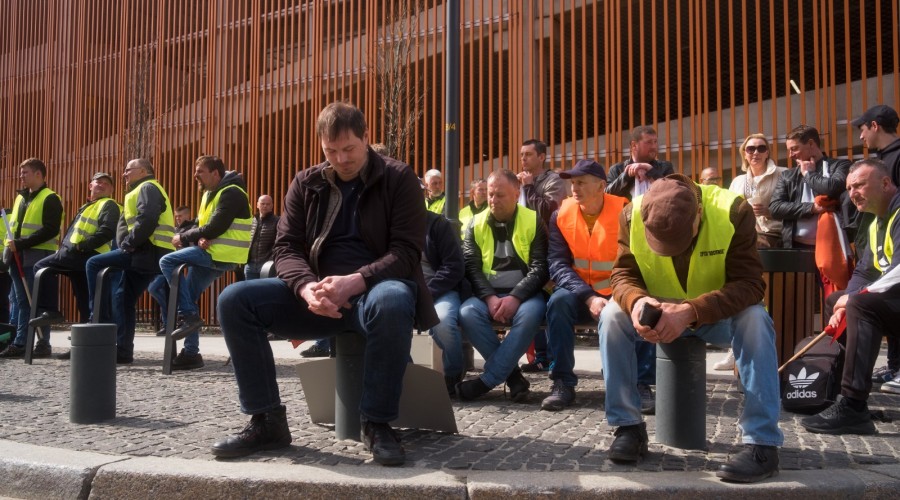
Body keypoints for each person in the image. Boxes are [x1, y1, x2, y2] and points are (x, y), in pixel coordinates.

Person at [211, 102, 436, 466]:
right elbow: (285, 247)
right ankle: (266, 420)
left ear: (366, 138)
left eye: (349, 149)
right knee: (235, 300)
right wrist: (305, 287)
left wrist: (356, 281)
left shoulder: (399, 178)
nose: (341, 159)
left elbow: (407, 253)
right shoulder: (306, 182)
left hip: (373, 292)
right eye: (331, 151)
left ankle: (377, 423)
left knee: (394, 299)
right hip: (315, 294)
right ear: (320, 146)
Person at [599, 174, 782, 483]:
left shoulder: (733, 211)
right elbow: (622, 275)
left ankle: (762, 443)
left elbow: (750, 285)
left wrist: (690, 311)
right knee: (611, 317)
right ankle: (628, 427)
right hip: (657, 311)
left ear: (699, 213)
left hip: (715, 316)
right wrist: (637, 302)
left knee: (755, 320)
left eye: (678, 242)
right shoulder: (632, 213)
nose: (669, 251)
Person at [800, 159, 900, 433]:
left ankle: (853, 405)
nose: (853, 192)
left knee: (859, 304)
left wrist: (855, 298)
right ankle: (836, 389)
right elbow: (865, 273)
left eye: (860, 185)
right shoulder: (876, 221)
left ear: (885, 183)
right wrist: (845, 300)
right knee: (839, 300)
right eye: (849, 187)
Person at [542, 159, 628, 411]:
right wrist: (589, 297)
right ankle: (562, 382)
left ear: (602, 185)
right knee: (557, 302)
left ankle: (636, 383)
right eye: (572, 183)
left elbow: (635, 261)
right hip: (579, 293)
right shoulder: (560, 214)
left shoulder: (625, 212)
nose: (573, 188)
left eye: (580, 182)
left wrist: (618, 294)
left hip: (617, 290)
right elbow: (557, 264)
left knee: (635, 305)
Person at [457, 169, 549, 402]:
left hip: (526, 296)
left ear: (516, 194)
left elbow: (540, 268)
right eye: (490, 195)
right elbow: (472, 268)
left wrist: (515, 297)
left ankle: (486, 381)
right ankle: (514, 377)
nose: (493, 201)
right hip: (487, 295)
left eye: (500, 195)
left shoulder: (533, 220)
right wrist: (489, 298)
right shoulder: (474, 224)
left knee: (529, 317)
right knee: (467, 312)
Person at [158, 155, 252, 371]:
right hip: (212, 252)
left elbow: (215, 227)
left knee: (166, 261)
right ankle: (191, 354)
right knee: (188, 295)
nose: (195, 175)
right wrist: (200, 236)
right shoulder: (210, 193)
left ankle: (189, 315)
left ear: (215, 173)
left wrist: (183, 237)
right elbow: (206, 226)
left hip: (223, 255)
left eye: (200, 171)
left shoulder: (231, 193)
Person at [85, 158, 175, 364]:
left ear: (143, 170)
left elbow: (148, 217)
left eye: (128, 170)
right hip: (146, 252)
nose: (124, 174)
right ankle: (123, 352)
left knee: (94, 264)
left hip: (147, 251)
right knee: (123, 297)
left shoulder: (147, 187)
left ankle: (98, 317)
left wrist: (129, 243)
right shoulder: (141, 189)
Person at [713, 135, 789, 371]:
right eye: (750, 149)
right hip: (744, 237)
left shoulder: (783, 174)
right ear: (743, 153)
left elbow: (794, 207)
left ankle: (760, 347)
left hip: (773, 236)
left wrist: (770, 211)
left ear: (768, 152)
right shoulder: (737, 182)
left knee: (746, 284)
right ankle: (733, 349)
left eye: (761, 148)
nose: (755, 152)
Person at [28, 173, 121, 359]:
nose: (101, 185)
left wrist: (81, 246)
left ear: (111, 190)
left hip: (85, 256)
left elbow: (107, 231)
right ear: (90, 186)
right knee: (84, 303)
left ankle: (51, 310)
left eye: (106, 184)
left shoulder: (108, 205)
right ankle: (81, 349)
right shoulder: (87, 206)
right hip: (77, 258)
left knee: (40, 267)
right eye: (98, 182)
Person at [850, 105, 900, 387]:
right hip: (880, 241)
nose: (861, 137)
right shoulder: (881, 159)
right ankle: (894, 366)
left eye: (862, 129)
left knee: (875, 296)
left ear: (875, 126)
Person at [0, 158, 63, 359]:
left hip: (38, 256)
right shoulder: (21, 198)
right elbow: (14, 227)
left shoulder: (50, 198)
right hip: (18, 256)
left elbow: (50, 229)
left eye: (25, 172)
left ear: (38, 174)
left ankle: (34, 343)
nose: (21, 176)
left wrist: (22, 243)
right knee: (20, 300)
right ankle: (23, 341)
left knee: (37, 300)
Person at [517, 139, 565, 373]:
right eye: (522, 155)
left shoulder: (553, 180)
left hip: (547, 252)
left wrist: (528, 188)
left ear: (542, 157)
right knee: (531, 301)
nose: (523, 159)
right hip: (524, 252)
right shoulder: (519, 181)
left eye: (528, 154)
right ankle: (539, 356)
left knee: (549, 304)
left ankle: (554, 357)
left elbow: (549, 211)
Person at [769, 125, 851, 249]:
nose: (791, 155)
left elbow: (832, 188)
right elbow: (775, 208)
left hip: (833, 245)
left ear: (811, 144)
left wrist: (808, 174)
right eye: (789, 150)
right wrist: (811, 208)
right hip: (796, 246)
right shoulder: (788, 176)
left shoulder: (840, 165)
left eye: (794, 148)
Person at [423, 211, 466, 394]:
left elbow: (454, 266)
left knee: (443, 321)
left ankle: (453, 372)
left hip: (440, 290)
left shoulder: (438, 224)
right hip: (403, 290)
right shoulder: (392, 224)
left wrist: (428, 293)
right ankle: (403, 375)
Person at [147, 205, 196, 336]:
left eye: (180, 216)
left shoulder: (192, 228)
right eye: (176, 216)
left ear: (188, 215)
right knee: (157, 289)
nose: (178, 218)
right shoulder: (175, 229)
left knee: (155, 288)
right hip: (169, 266)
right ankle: (169, 320)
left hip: (180, 267)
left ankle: (170, 319)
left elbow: (193, 248)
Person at [606, 126, 675, 199]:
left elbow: (674, 192)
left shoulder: (665, 167)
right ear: (634, 145)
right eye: (649, 142)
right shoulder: (617, 169)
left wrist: (650, 171)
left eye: (655, 142)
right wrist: (627, 175)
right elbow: (606, 195)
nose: (654, 146)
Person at [244, 195, 279, 280]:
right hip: (250, 265)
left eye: (268, 204)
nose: (265, 206)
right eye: (262, 203)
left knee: (265, 292)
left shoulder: (277, 221)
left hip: (267, 265)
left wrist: (272, 260)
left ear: (272, 206)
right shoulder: (251, 221)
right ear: (257, 205)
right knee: (250, 291)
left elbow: (279, 243)